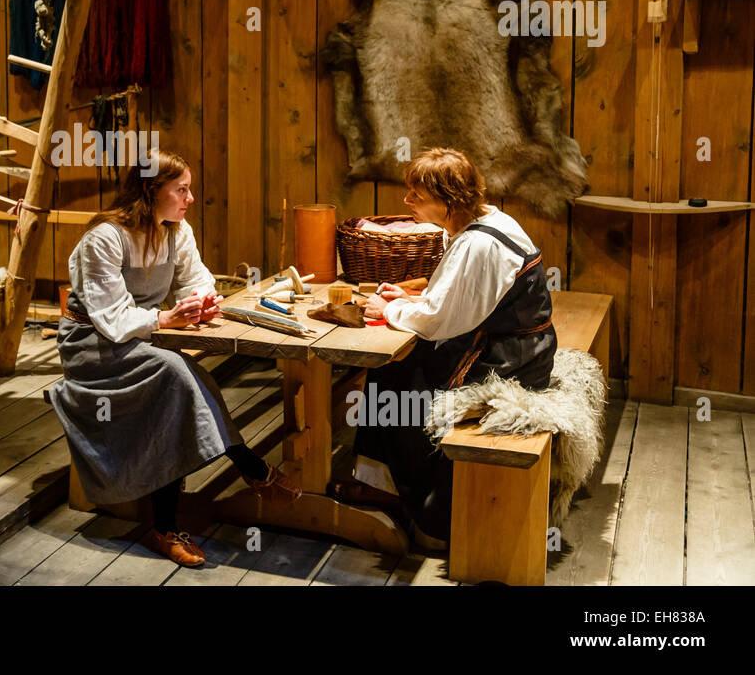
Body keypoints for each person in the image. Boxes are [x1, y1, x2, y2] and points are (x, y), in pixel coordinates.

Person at [48, 148, 301, 568]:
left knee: (178, 379)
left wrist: (202, 302)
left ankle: (167, 525)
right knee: (176, 374)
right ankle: (252, 469)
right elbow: (110, 318)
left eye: (190, 189)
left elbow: (195, 277)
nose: (189, 199)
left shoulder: (175, 230)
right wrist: (164, 317)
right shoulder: (105, 238)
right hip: (93, 345)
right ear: (151, 191)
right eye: (180, 189)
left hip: (141, 338)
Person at [350, 147, 556, 550]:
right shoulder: (484, 220)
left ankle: (430, 514)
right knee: (390, 370)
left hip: (508, 359)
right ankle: (382, 484)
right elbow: (464, 298)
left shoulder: (478, 243)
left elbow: (438, 320)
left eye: (417, 196)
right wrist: (416, 296)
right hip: (509, 341)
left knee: (399, 381)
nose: (407, 202)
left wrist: (389, 307)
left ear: (448, 200)